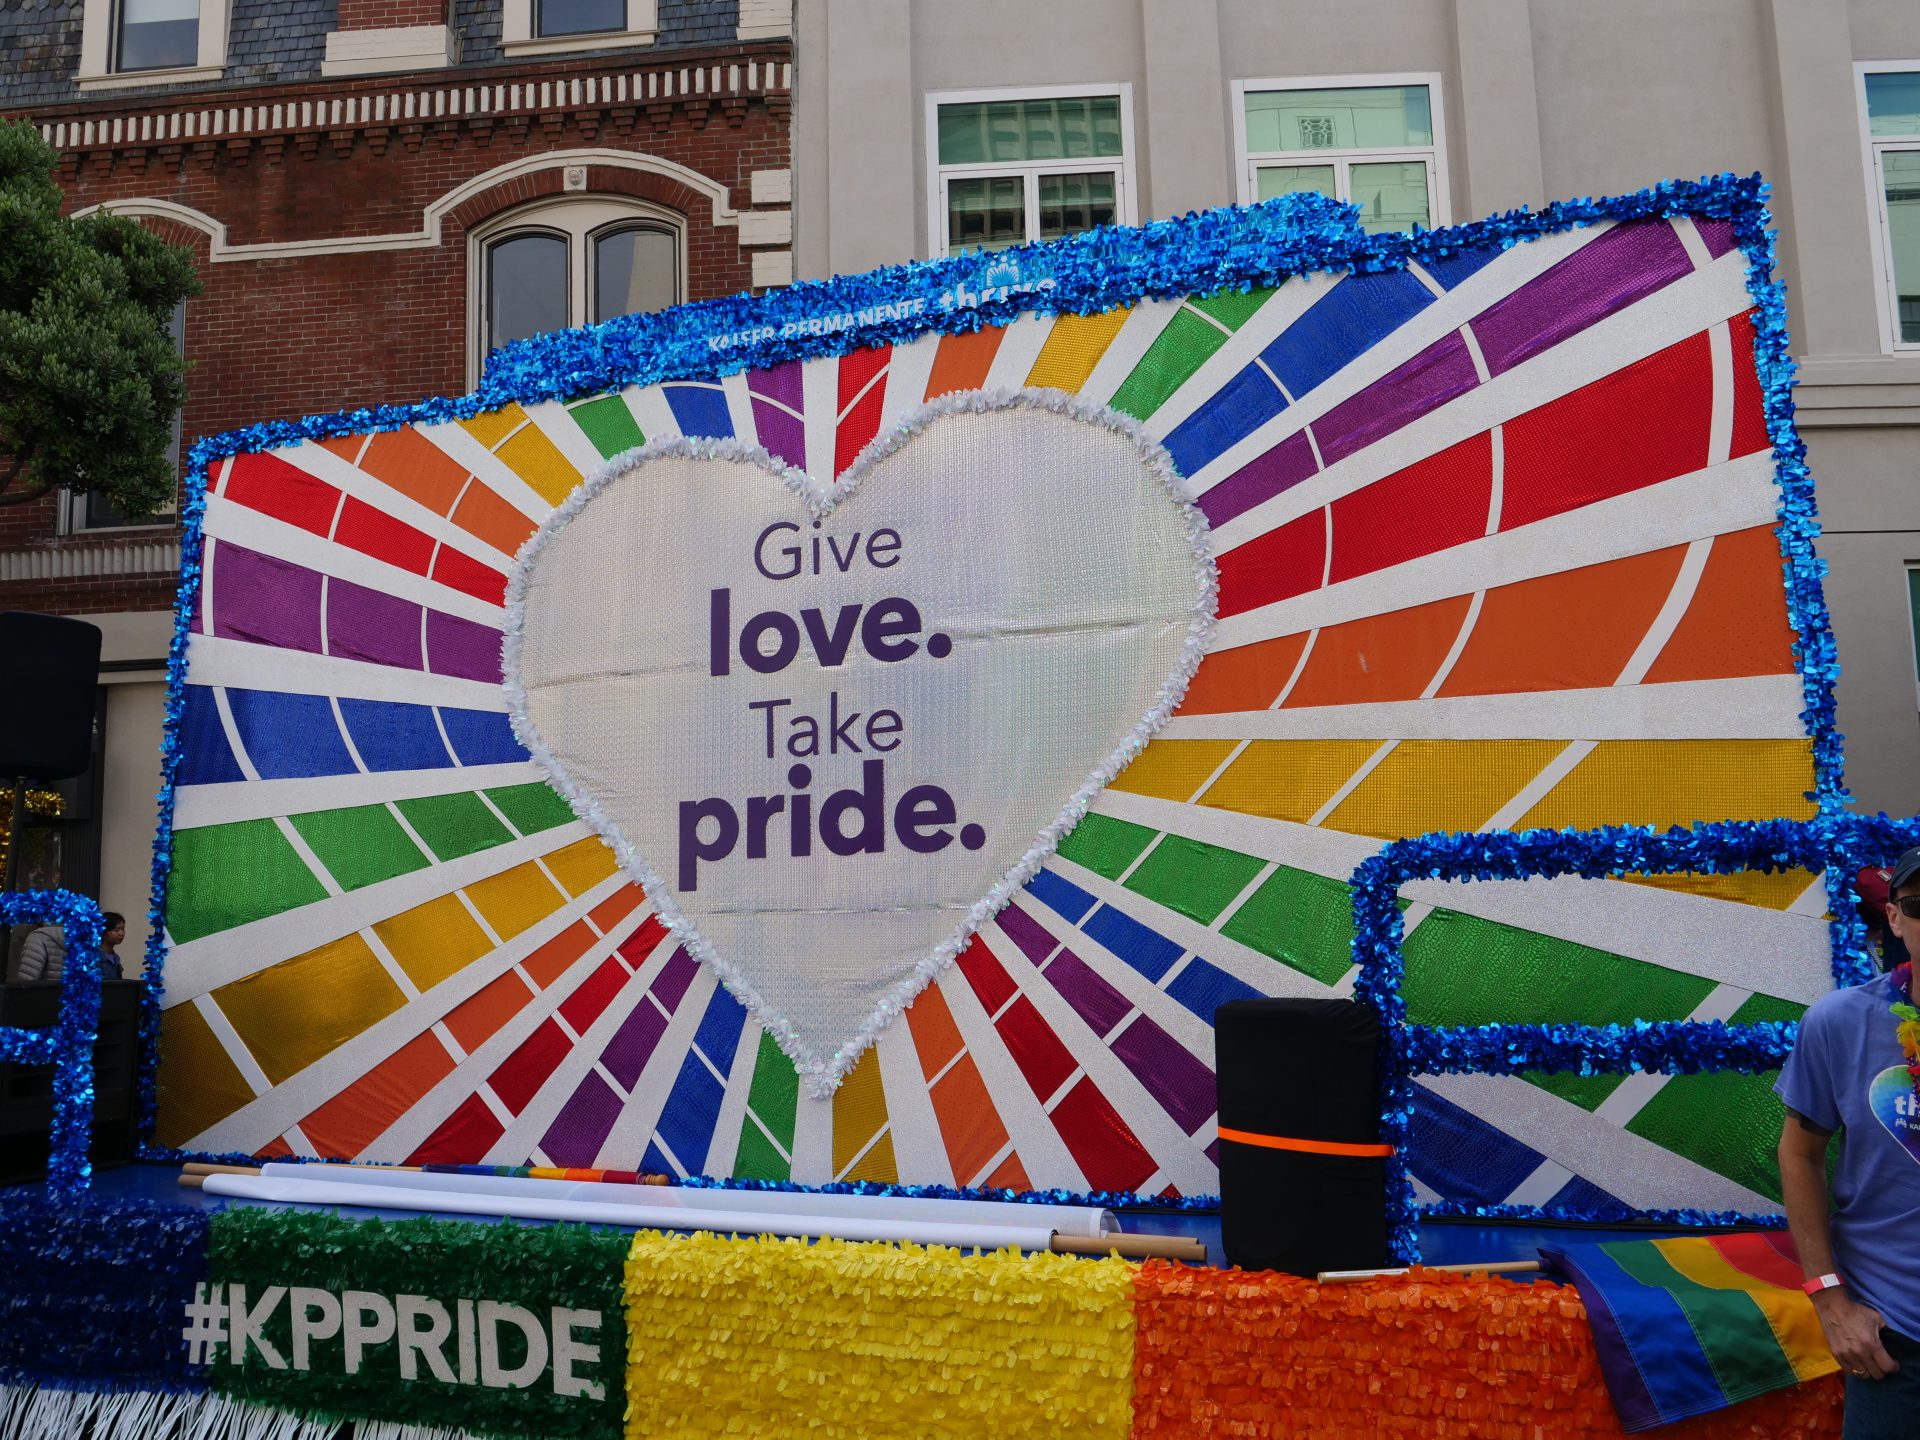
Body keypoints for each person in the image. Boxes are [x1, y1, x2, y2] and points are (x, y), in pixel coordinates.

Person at [1777, 845, 1920, 1439]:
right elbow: (1799, 1153)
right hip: (1898, 1338)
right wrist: (1829, 1299)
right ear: (1895, 919)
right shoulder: (1838, 1022)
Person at [13, 908, 124, 983]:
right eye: (116, 930)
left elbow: (27, 978)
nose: (121, 933)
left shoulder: (84, 948)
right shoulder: (82, 947)